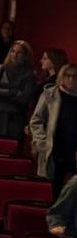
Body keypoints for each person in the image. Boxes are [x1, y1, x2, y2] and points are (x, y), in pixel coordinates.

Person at [30, 61, 77, 196]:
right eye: (68, 76)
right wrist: (42, 142)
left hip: (73, 151)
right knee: (50, 191)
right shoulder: (50, 95)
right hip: (52, 150)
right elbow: (36, 121)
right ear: (61, 76)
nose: (71, 79)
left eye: (74, 76)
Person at [0, 40, 37, 138]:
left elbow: (24, 98)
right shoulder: (0, 69)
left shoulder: (30, 74)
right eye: (13, 51)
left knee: (12, 144)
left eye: (19, 52)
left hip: (16, 117)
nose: (15, 55)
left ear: (25, 55)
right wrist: (14, 92)